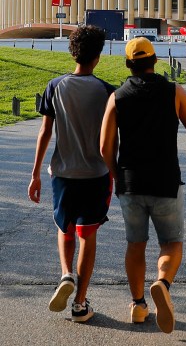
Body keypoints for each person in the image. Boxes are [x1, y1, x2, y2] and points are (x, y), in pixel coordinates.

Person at [100, 37, 186, 333]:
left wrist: (115, 173)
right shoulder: (174, 92)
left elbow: (104, 146)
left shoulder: (116, 97)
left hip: (131, 182)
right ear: (156, 61)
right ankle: (162, 282)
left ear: (128, 64)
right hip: (165, 180)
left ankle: (137, 305)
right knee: (171, 242)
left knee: (135, 244)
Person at [28, 25, 114, 323]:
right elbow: (114, 138)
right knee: (87, 235)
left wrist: (35, 173)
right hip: (96, 174)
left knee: (64, 229)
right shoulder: (106, 91)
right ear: (99, 56)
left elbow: (45, 131)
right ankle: (79, 303)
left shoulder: (55, 86)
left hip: (62, 173)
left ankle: (66, 274)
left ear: (72, 51)